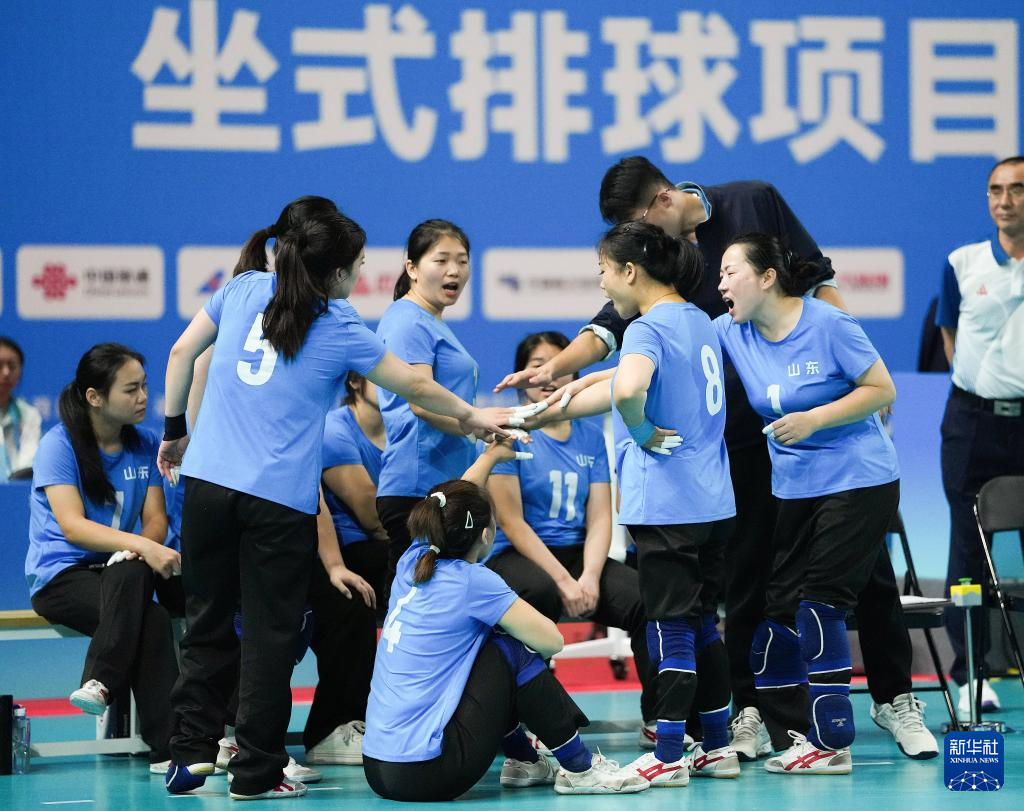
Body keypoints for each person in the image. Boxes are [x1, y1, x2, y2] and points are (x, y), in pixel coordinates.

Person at [498, 155, 931, 762]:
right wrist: (559, 385)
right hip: (761, 466)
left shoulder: (801, 298)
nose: (721, 283)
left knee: (828, 595)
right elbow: (616, 361)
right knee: (752, 596)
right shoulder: (716, 326)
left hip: (828, 475)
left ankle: (695, 747)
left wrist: (637, 426)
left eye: (731, 272)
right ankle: (745, 726)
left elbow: (628, 384)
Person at [158, 200, 512, 801]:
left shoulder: (241, 287)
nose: (364, 272)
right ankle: (255, 772)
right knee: (269, 638)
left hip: (208, 487)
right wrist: (474, 416)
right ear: (338, 273)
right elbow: (416, 384)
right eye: (359, 264)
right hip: (277, 502)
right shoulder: (339, 322)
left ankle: (189, 754)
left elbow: (180, 355)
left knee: (207, 621)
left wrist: (173, 433)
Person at [527, 223, 738, 785]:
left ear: (629, 270)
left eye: (603, 271)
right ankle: (718, 745)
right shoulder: (697, 319)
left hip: (666, 505)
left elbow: (626, 391)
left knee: (669, 627)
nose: (602, 284)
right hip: (712, 503)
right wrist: (536, 414)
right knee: (702, 624)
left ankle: (668, 753)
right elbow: (620, 383)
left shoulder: (645, 328)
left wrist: (641, 430)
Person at [363, 441, 649, 800]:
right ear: (487, 534)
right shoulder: (474, 581)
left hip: (379, 769)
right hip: (431, 772)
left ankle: (526, 761)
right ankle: (580, 769)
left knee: (485, 646)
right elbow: (552, 641)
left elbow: (451, 500)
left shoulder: (413, 560)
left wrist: (491, 456)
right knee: (510, 648)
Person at [714, 232, 903, 774]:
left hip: (858, 478)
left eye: (730, 272)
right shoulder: (729, 330)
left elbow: (881, 389)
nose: (720, 283)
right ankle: (795, 735)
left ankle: (832, 743)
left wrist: (814, 419)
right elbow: (658, 357)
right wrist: (570, 385)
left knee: (820, 604)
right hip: (795, 486)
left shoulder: (829, 323)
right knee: (779, 613)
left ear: (767, 277)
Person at [485, 331, 656, 744]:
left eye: (556, 366)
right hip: (518, 556)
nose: (547, 376)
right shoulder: (509, 431)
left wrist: (591, 576)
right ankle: (534, 725)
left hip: (579, 555)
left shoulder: (590, 435)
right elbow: (511, 521)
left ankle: (659, 719)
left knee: (645, 600)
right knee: (537, 593)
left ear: (573, 375)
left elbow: (600, 517)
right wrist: (564, 581)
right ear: (520, 376)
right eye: (536, 366)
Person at [25, 343, 180, 771]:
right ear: (94, 396)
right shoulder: (59, 446)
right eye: (131, 389)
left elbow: (155, 519)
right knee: (151, 619)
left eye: (144, 386)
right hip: (62, 576)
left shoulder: (146, 444)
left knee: (138, 585)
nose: (143, 397)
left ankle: (99, 683)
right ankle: (170, 750)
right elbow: (72, 526)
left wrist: (139, 547)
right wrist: (142, 547)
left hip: (121, 569)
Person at [936, 155, 1024, 716]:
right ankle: (970, 674)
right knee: (969, 550)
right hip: (973, 424)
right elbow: (949, 334)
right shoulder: (962, 263)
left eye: (1017, 189)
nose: (1005, 200)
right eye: (995, 190)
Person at [375, 219, 481, 598]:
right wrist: (478, 424)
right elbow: (420, 402)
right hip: (417, 489)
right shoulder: (408, 321)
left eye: (462, 261)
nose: (454, 271)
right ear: (412, 268)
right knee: (416, 604)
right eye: (441, 260)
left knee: (436, 604)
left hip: (441, 486)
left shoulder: (429, 321)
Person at [303, 371, 390, 766]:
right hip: (347, 550)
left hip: (384, 546)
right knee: (354, 600)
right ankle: (332, 727)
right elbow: (372, 516)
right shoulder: (335, 430)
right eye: (383, 377)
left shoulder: (406, 427)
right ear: (355, 383)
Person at [0, 336, 41, 480]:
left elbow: (27, 465)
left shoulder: (28, 414)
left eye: (12, 366)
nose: (6, 373)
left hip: (16, 489)